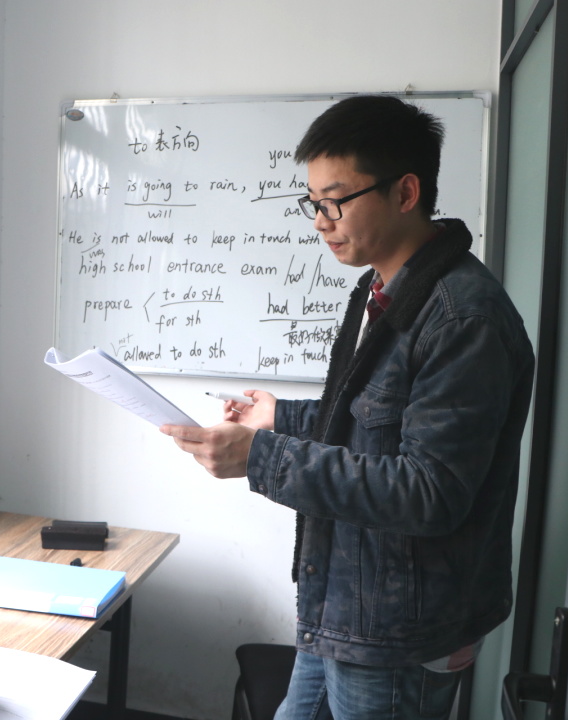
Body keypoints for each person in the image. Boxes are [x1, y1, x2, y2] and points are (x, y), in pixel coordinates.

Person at [161, 96, 535, 720]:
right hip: (342, 600)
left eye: (335, 201)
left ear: (405, 192)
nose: (320, 221)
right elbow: (372, 421)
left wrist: (263, 458)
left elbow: (429, 492)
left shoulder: (462, 319)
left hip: (397, 631)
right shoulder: (379, 287)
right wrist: (280, 417)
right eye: (312, 203)